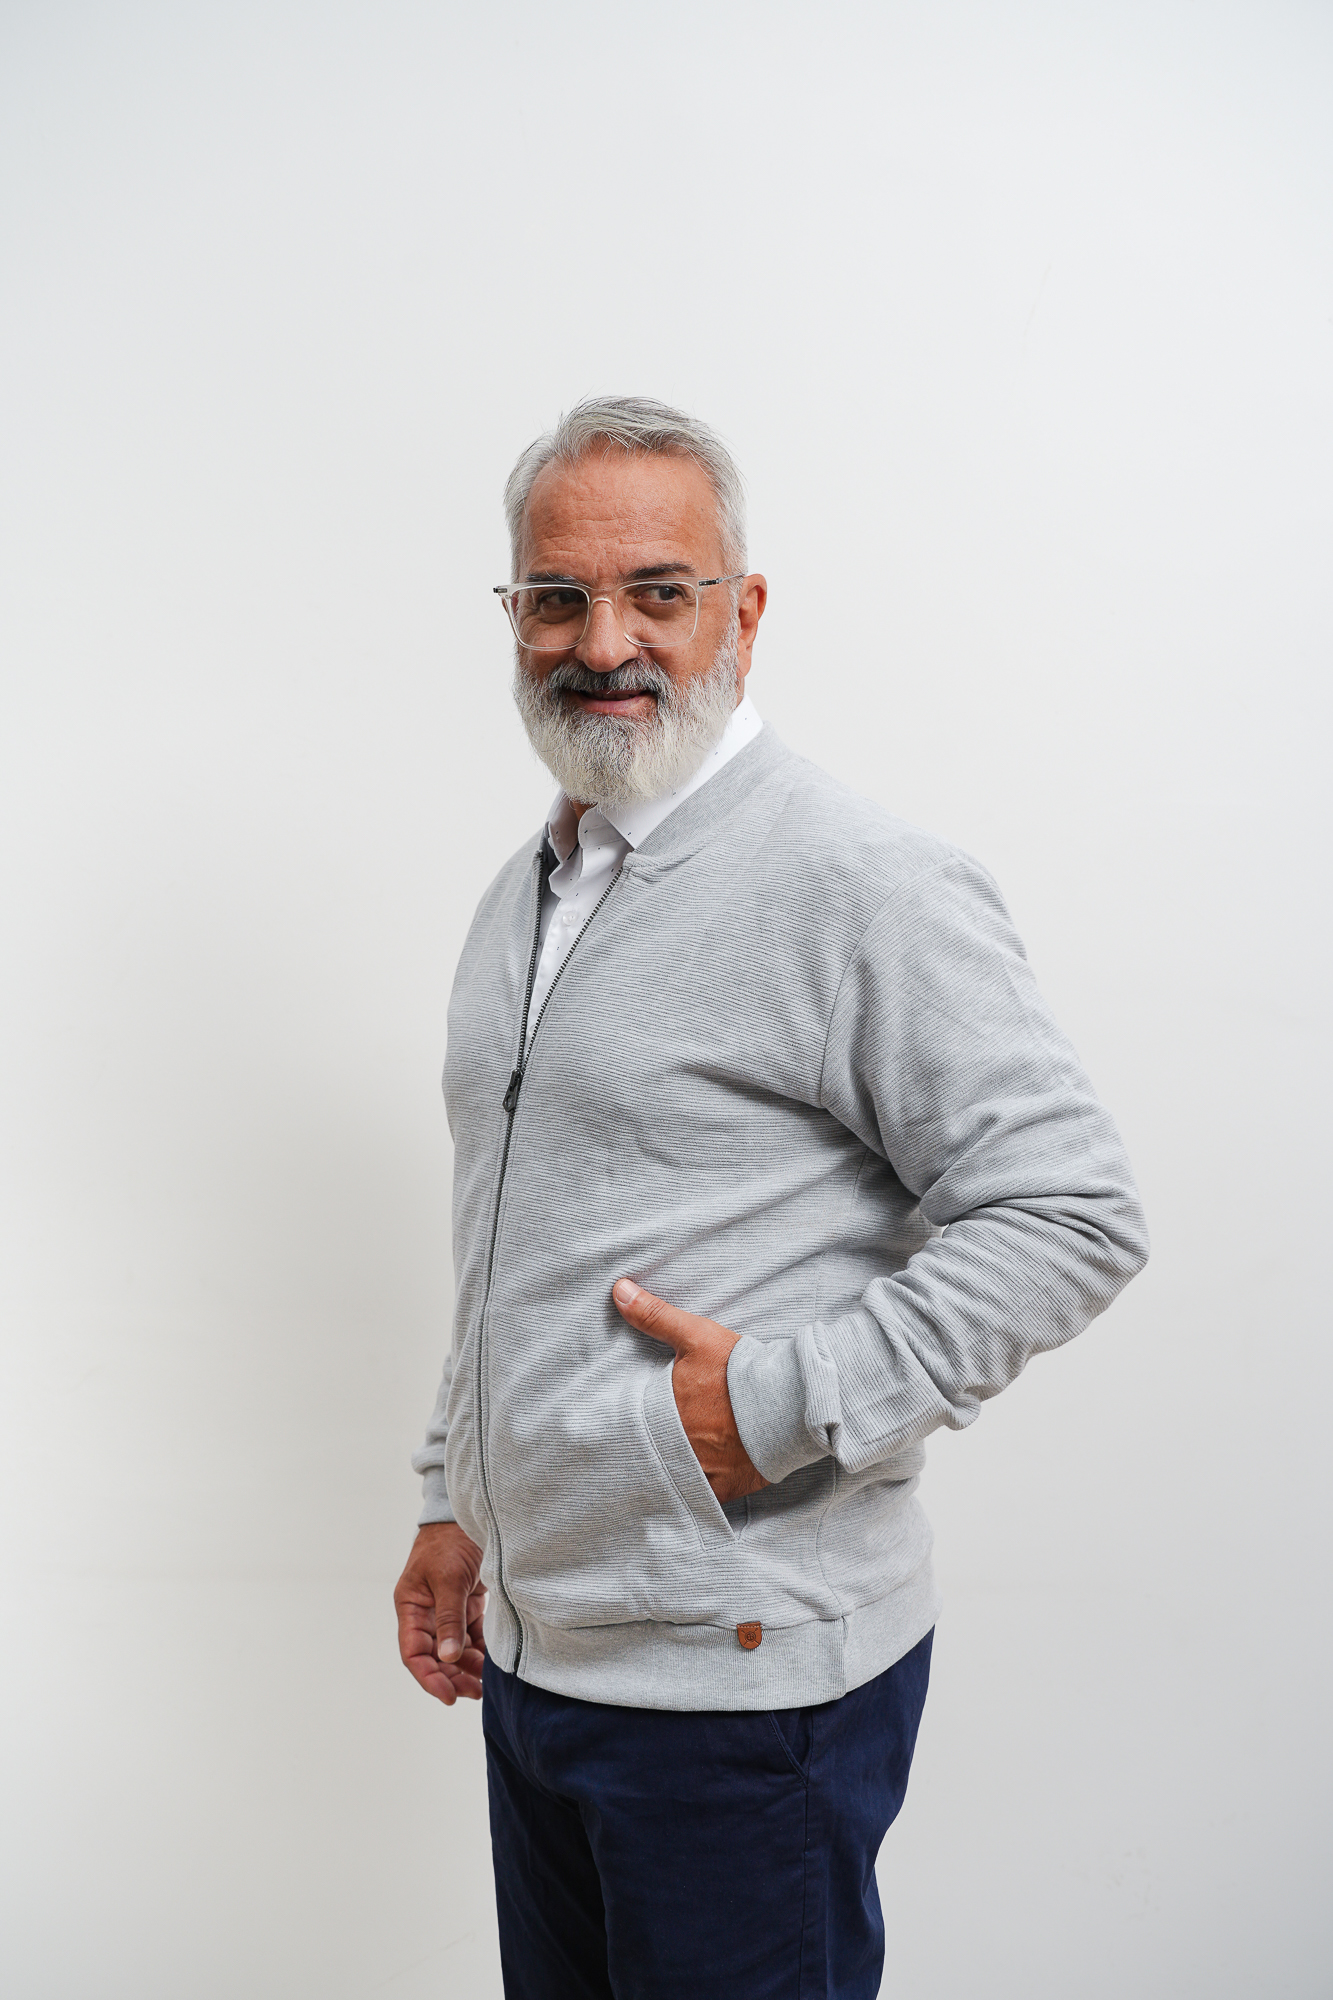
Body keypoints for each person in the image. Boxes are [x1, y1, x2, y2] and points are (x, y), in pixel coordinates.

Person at [393, 396, 1148, 1999]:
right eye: (556, 598)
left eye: (657, 592)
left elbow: (1069, 1211)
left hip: (742, 1696)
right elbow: (511, 1234)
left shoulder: (861, 885)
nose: (604, 642)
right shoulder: (532, 889)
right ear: (514, 614)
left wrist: (775, 1405)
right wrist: (453, 1498)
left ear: (742, 610)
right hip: (542, 1665)